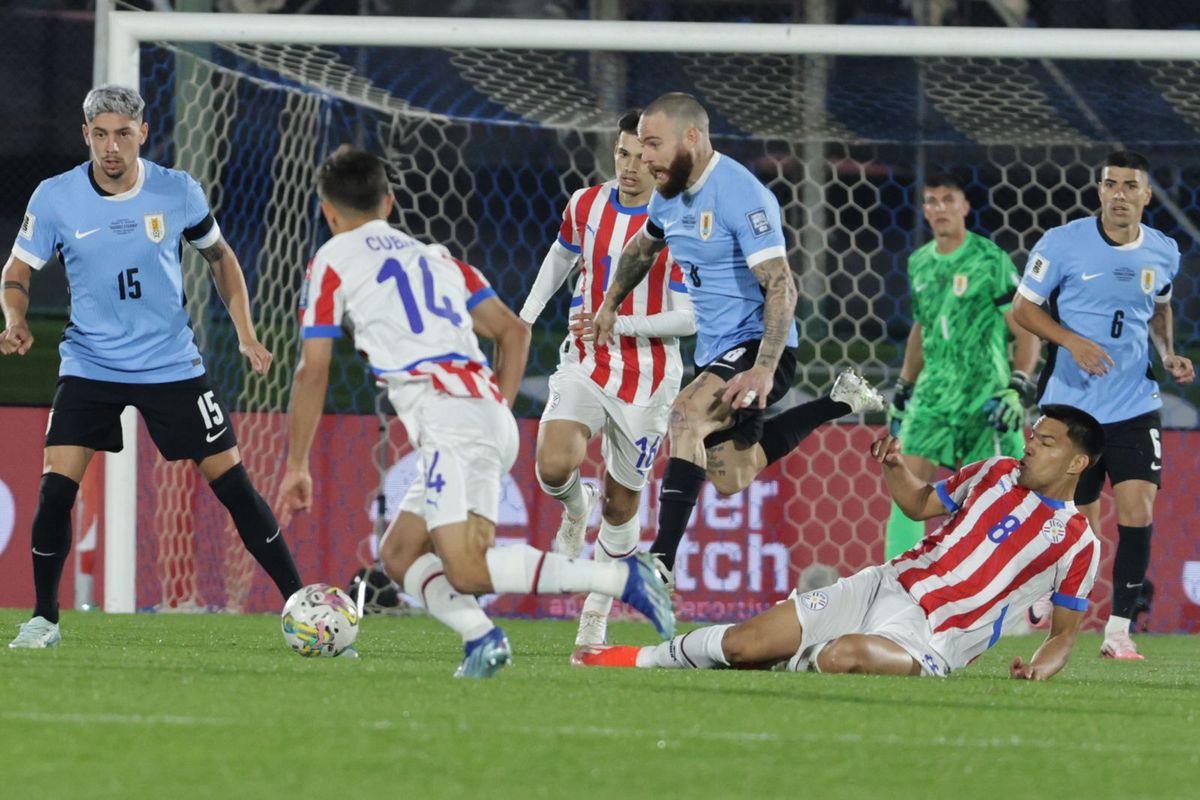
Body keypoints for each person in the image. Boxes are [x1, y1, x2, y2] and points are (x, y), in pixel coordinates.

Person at [274, 145, 674, 678]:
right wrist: (497, 411)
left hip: (450, 420)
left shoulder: (330, 260)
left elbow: (312, 369)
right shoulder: (439, 259)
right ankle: (482, 638)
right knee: (399, 553)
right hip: (480, 411)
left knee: (468, 569)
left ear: (328, 212)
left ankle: (622, 580)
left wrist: (297, 463)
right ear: (389, 203)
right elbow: (513, 330)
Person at [1, 85, 303, 648]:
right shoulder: (55, 197)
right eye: (99, 134)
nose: (111, 146)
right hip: (90, 363)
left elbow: (221, 257)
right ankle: (44, 618)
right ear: (85, 135)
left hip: (170, 363)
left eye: (122, 133)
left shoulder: (176, 190)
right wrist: (15, 317)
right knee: (54, 493)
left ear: (143, 133)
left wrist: (245, 332)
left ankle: (300, 604)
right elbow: (17, 270)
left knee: (234, 485)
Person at [574, 405, 1104, 681]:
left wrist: (1040, 666)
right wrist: (895, 467)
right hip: (883, 585)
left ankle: (792, 658)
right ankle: (630, 657)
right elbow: (919, 505)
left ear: (1077, 463)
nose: (1030, 446)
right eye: (1033, 436)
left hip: (936, 635)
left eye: (1046, 443)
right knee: (740, 645)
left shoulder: (1078, 542)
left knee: (845, 654)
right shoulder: (995, 470)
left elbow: (1063, 636)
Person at [592, 92, 884, 586]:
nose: (645, 159)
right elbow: (644, 249)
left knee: (683, 414)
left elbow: (781, 284)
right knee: (732, 476)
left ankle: (659, 564)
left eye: (653, 145)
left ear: (692, 137)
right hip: (716, 354)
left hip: (759, 346)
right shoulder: (667, 194)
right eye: (641, 147)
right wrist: (609, 303)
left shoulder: (741, 195)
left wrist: (764, 368)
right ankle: (841, 400)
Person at [519, 109, 695, 646]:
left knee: (623, 503)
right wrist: (524, 318)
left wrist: (622, 321)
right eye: (622, 154)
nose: (630, 167)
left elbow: (690, 317)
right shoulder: (586, 204)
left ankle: (595, 614)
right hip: (586, 360)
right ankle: (576, 505)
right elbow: (561, 256)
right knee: (553, 464)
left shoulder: (682, 220)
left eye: (643, 158)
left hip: (650, 377)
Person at [1012, 150, 1194, 660]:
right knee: (1081, 526)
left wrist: (1168, 353)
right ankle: (1050, 597)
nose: (1119, 193)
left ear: (1145, 195)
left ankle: (1118, 631)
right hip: (1073, 409)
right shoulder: (1062, 243)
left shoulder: (1163, 251)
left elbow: (1160, 308)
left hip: (1134, 401)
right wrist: (1071, 341)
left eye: (1129, 185)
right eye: (1110, 184)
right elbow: (1024, 309)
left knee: (1137, 510)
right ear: (1099, 191)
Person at [885, 173, 1040, 559]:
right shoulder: (919, 262)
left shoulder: (991, 260)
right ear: (923, 209)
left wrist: (1018, 384)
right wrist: (905, 385)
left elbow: (1025, 329)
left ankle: (990, 588)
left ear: (965, 207)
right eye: (931, 200)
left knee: (985, 498)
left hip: (982, 398)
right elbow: (922, 326)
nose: (939, 208)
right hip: (933, 396)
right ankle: (891, 589)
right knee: (906, 490)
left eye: (948, 199)